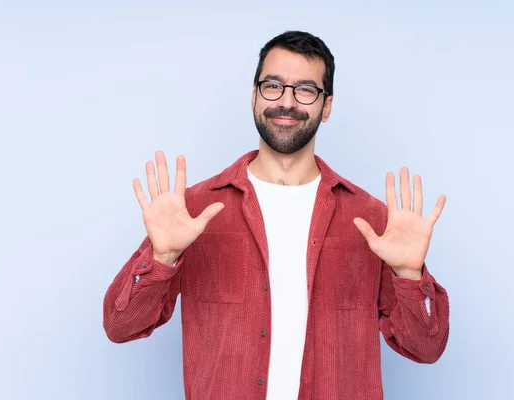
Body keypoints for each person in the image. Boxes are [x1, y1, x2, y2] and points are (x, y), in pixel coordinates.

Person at [103, 30, 449, 400]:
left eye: (305, 90)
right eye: (273, 86)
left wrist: (409, 275)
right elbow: (120, 325)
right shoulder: (193, 211)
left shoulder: (371, 221)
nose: (287, 102)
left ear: (326, 106)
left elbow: (425, 349)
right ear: (254, 96)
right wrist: (162, 258)